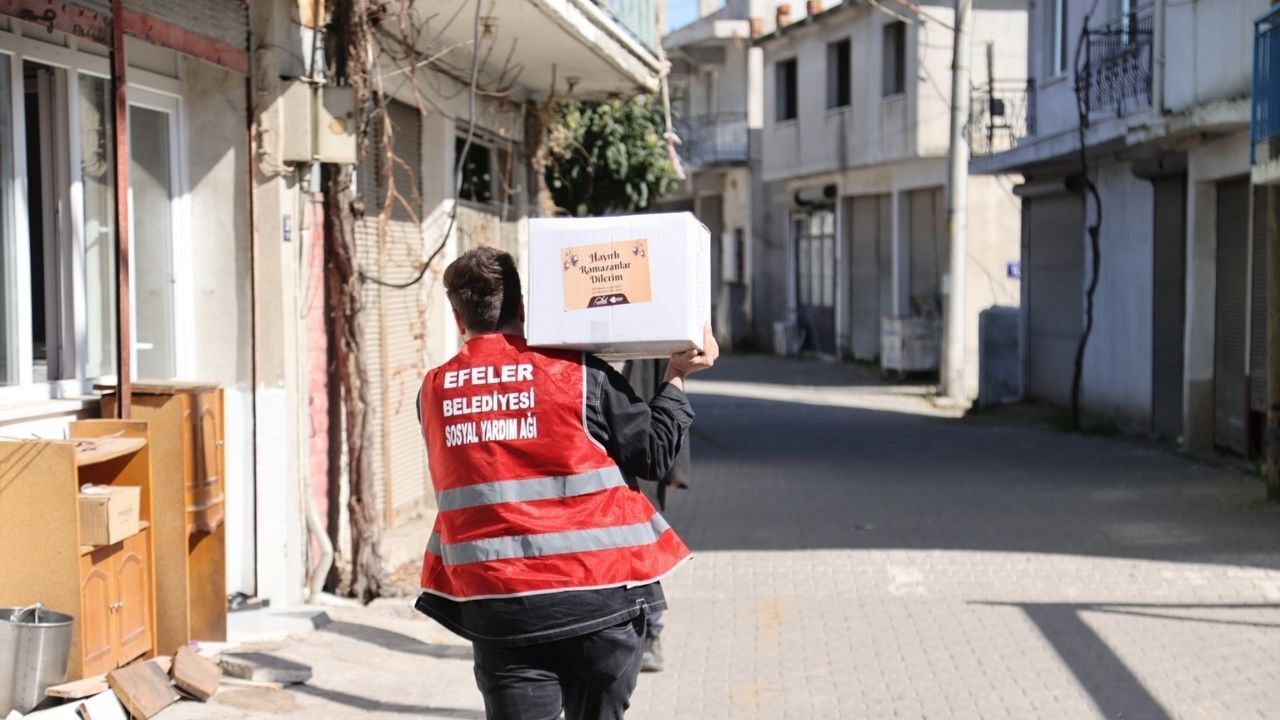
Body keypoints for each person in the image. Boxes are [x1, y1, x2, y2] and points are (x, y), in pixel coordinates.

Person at [414, 247, 718, 720]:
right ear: (522, 308)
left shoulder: (433, 391)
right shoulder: (578, 373)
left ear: (457, 319)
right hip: (600, 602)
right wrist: (676, 376)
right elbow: (655, 454)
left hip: (501, 610)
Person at [619, 358, 692, 674]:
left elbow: (673, 392)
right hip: (597, 460)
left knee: (644, 551)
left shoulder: (649, 342)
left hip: (643, 457)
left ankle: (651, 633)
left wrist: (676, 467)